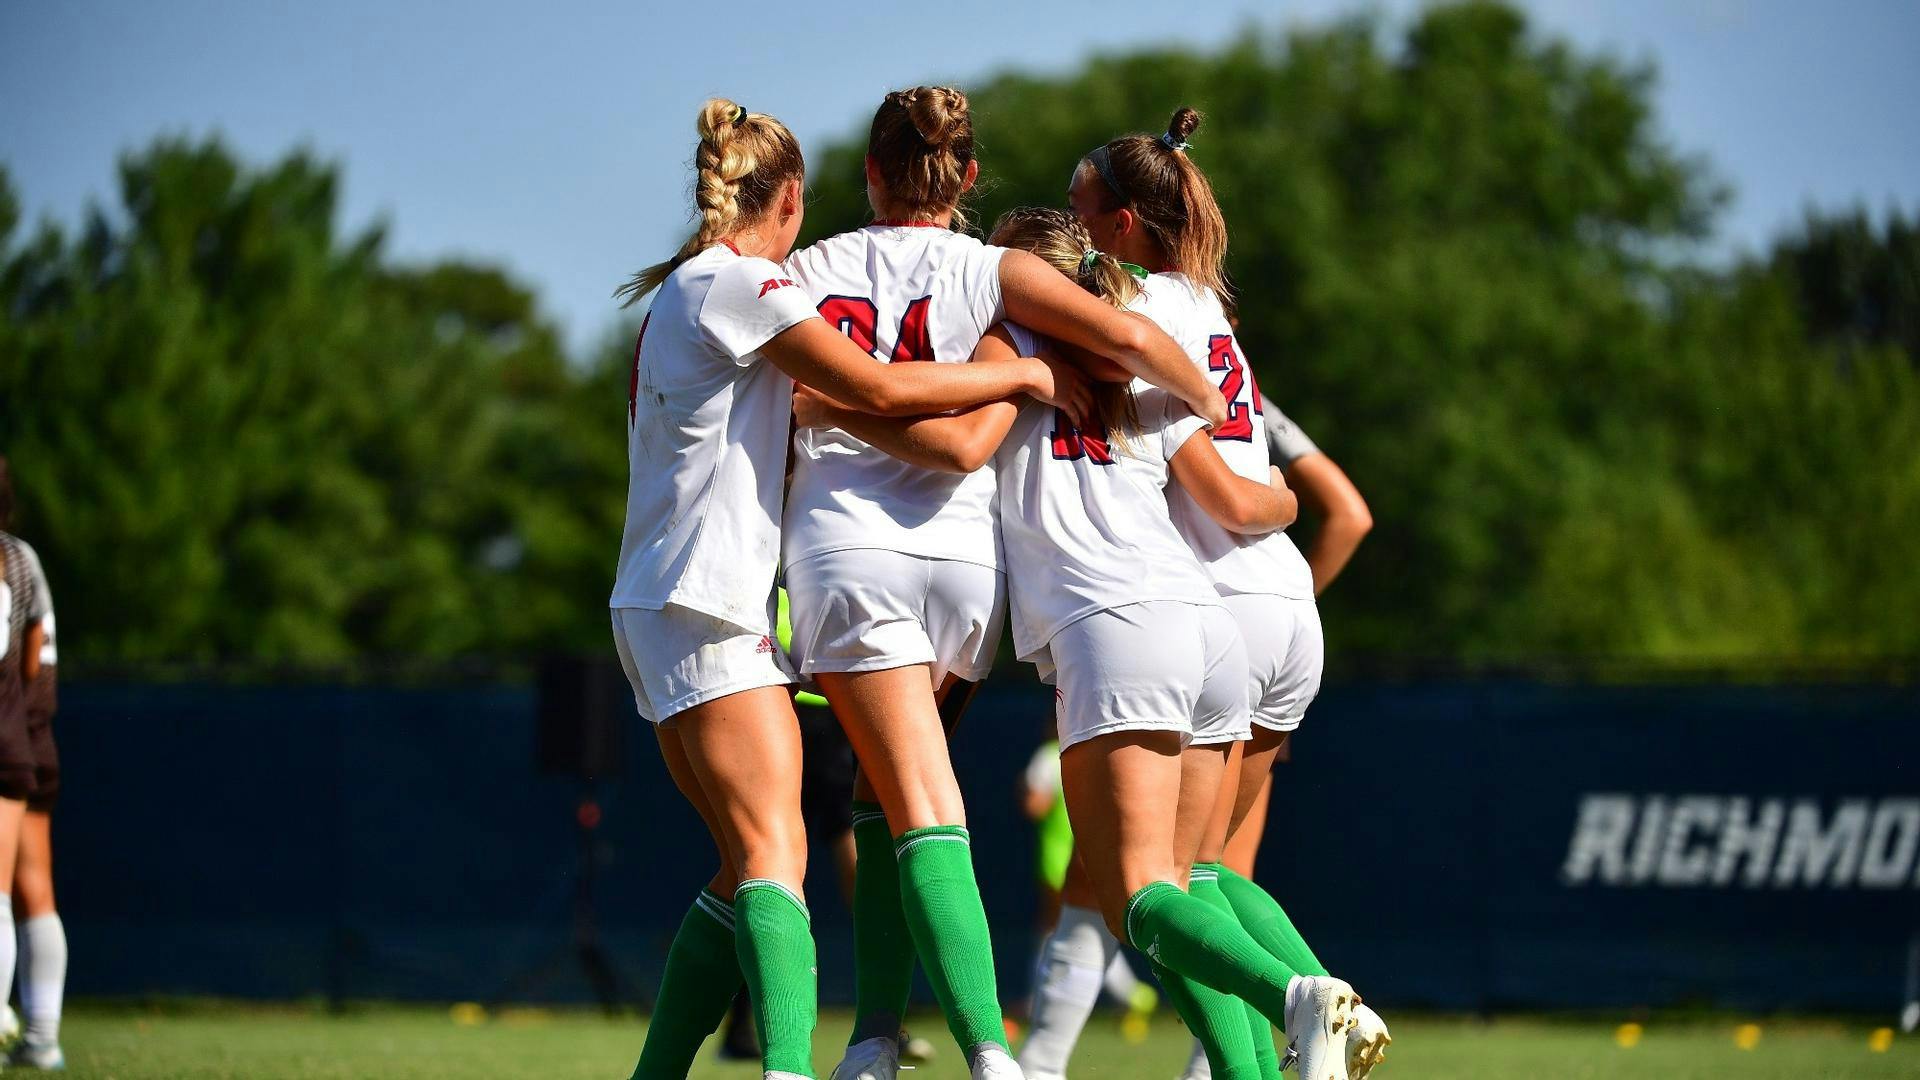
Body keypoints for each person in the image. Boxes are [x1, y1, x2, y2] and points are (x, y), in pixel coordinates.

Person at [792, 206, 1358, 1080]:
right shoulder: (1130, 366)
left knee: (1135, 898)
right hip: (1205, 626)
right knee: (1193, 881)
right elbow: (1236, 496)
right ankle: (1273, 1048)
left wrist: (823, 405)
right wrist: (1284, 498)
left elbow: (961, 443)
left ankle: (1299, 994)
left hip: (1113, 625)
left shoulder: (1007, 349)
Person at [611, 98, 1094, 1080]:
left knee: (760, 853)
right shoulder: (746, 282)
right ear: (789, 196)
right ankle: (954, 1057)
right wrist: (1028, 379)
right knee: (804, 840)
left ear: (869, 175)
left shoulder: (742, 280)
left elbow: (834, 398)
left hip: (714, 588)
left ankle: (754, 1059)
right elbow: (882, 392)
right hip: (741, 593)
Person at [776, 87, 1227, 1080]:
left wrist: (832, 412)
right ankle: (876, 1044)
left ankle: (983, 1049)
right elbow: (1139, 343)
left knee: (916, 808)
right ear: (970, 177)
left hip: (849, 553)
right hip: (967, 571)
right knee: (886, 799)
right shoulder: (998, 271)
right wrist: (1214, 410)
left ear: (869, 175)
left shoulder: (805, 268)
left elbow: (766, 405)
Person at [1067, 107, 1387, 1080]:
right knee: (1208, 873)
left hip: (1221, 597)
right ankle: (1325, 1014)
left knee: (1172, 888)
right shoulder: (1205, 307)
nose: (1072, 227)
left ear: (1124, 222)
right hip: (1288, 609)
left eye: (1083, 207)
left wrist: (1278, 501)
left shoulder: (1147, 315)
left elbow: (1218, 495)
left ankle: (1294, 1027)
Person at [0, 457, 53, 1070]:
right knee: (14, 891)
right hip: (13, 736)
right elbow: (32, 665)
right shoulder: (20, 557)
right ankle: (41, 1032)